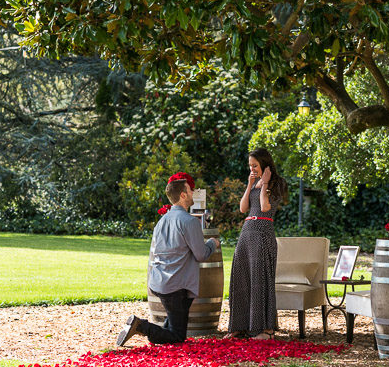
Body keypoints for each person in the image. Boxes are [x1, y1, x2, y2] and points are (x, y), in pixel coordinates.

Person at [116, 172, 220, 346]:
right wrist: (212, 243)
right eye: (190, 190)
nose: (193, 193)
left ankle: (147, 330)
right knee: (178, 337)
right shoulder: (189, 222)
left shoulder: (162, 221)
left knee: (171, 329)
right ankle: (140, 326)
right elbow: (201, 255)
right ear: (183, 195)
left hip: (160, 281)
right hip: (176, 286)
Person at [226, 148, 288, 340]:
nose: (252, 169)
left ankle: (265, 329)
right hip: (247, 233)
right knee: (241, 277)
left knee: (260, 280)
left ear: (264, 164)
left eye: (255, 165)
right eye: (250, 166)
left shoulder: (277, 183)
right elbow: (243, 207)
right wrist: (250, 183)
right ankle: (239, 326)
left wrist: (265, 184)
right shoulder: (253, 182)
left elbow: (264, 207)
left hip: (263, 232)